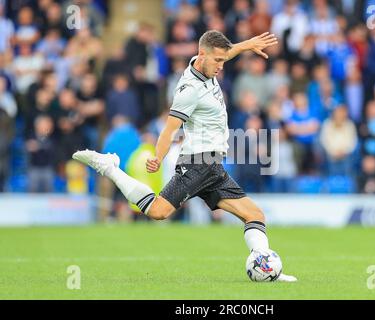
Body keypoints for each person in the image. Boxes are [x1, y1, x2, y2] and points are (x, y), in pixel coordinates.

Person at [73, 30, 297, 282]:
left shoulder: (207, 64)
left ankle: (268, 270)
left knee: (255, 215)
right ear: (202, 55)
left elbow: (224, 51)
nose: (222, 67)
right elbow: (170, 129)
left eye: (223, 61)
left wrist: (247, 45)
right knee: (158, 212)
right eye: (218, 61)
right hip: (197, 164)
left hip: (213, 167)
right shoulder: (189, 90)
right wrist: (158, 157)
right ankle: (110, 167)